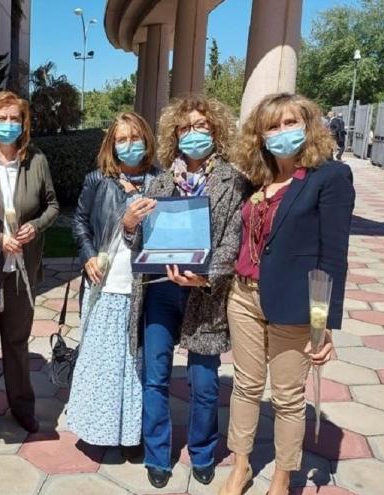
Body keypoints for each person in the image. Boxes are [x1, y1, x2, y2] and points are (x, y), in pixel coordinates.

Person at [219, 93, 352, 495]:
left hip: (294, 305)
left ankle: (282, 476)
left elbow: (333, 257)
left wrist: (323, 324)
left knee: (288, 398)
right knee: (245, 385)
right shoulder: (257, 179)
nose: (280, 133)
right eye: (271, 126)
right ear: (259, 135)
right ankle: (240, 465)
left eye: (289, 123)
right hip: (242, 296)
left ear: (307, 126)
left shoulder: (329, 177)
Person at [129, 95, 249, 488]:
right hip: (162, 290)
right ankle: (158, 454)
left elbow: (234, 241)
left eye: (202, 127)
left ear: (215, 131)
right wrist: (129, 225)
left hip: (206, 294)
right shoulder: (159, 182)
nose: (193, 134)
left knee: (204, 380)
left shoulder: (234, 181)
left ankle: (202, 451)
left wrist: (205, 276)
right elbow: (140, 244)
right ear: (174, 135)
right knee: (156, 376)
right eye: (185, 128)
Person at [0, 90, 59, 432]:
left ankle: (22, 406)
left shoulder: (35, 160)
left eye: (15, 119)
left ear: (24, 124)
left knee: (17, 342)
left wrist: (35, 227)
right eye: (2, 118)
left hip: (22, 269)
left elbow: (52, 206)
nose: (9, 125)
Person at [69, 112, 157, 456]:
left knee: (136, 367)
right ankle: (99, 430)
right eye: (121, 139)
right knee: (103, 365)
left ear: (146, 141)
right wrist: (88, 254)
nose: (129, 145)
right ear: (111, 144)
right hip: (106, 283)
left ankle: (132, 435)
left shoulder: (159, 180)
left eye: (135, 138)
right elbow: (79, 222)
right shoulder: (98, 180)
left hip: (145, 286)